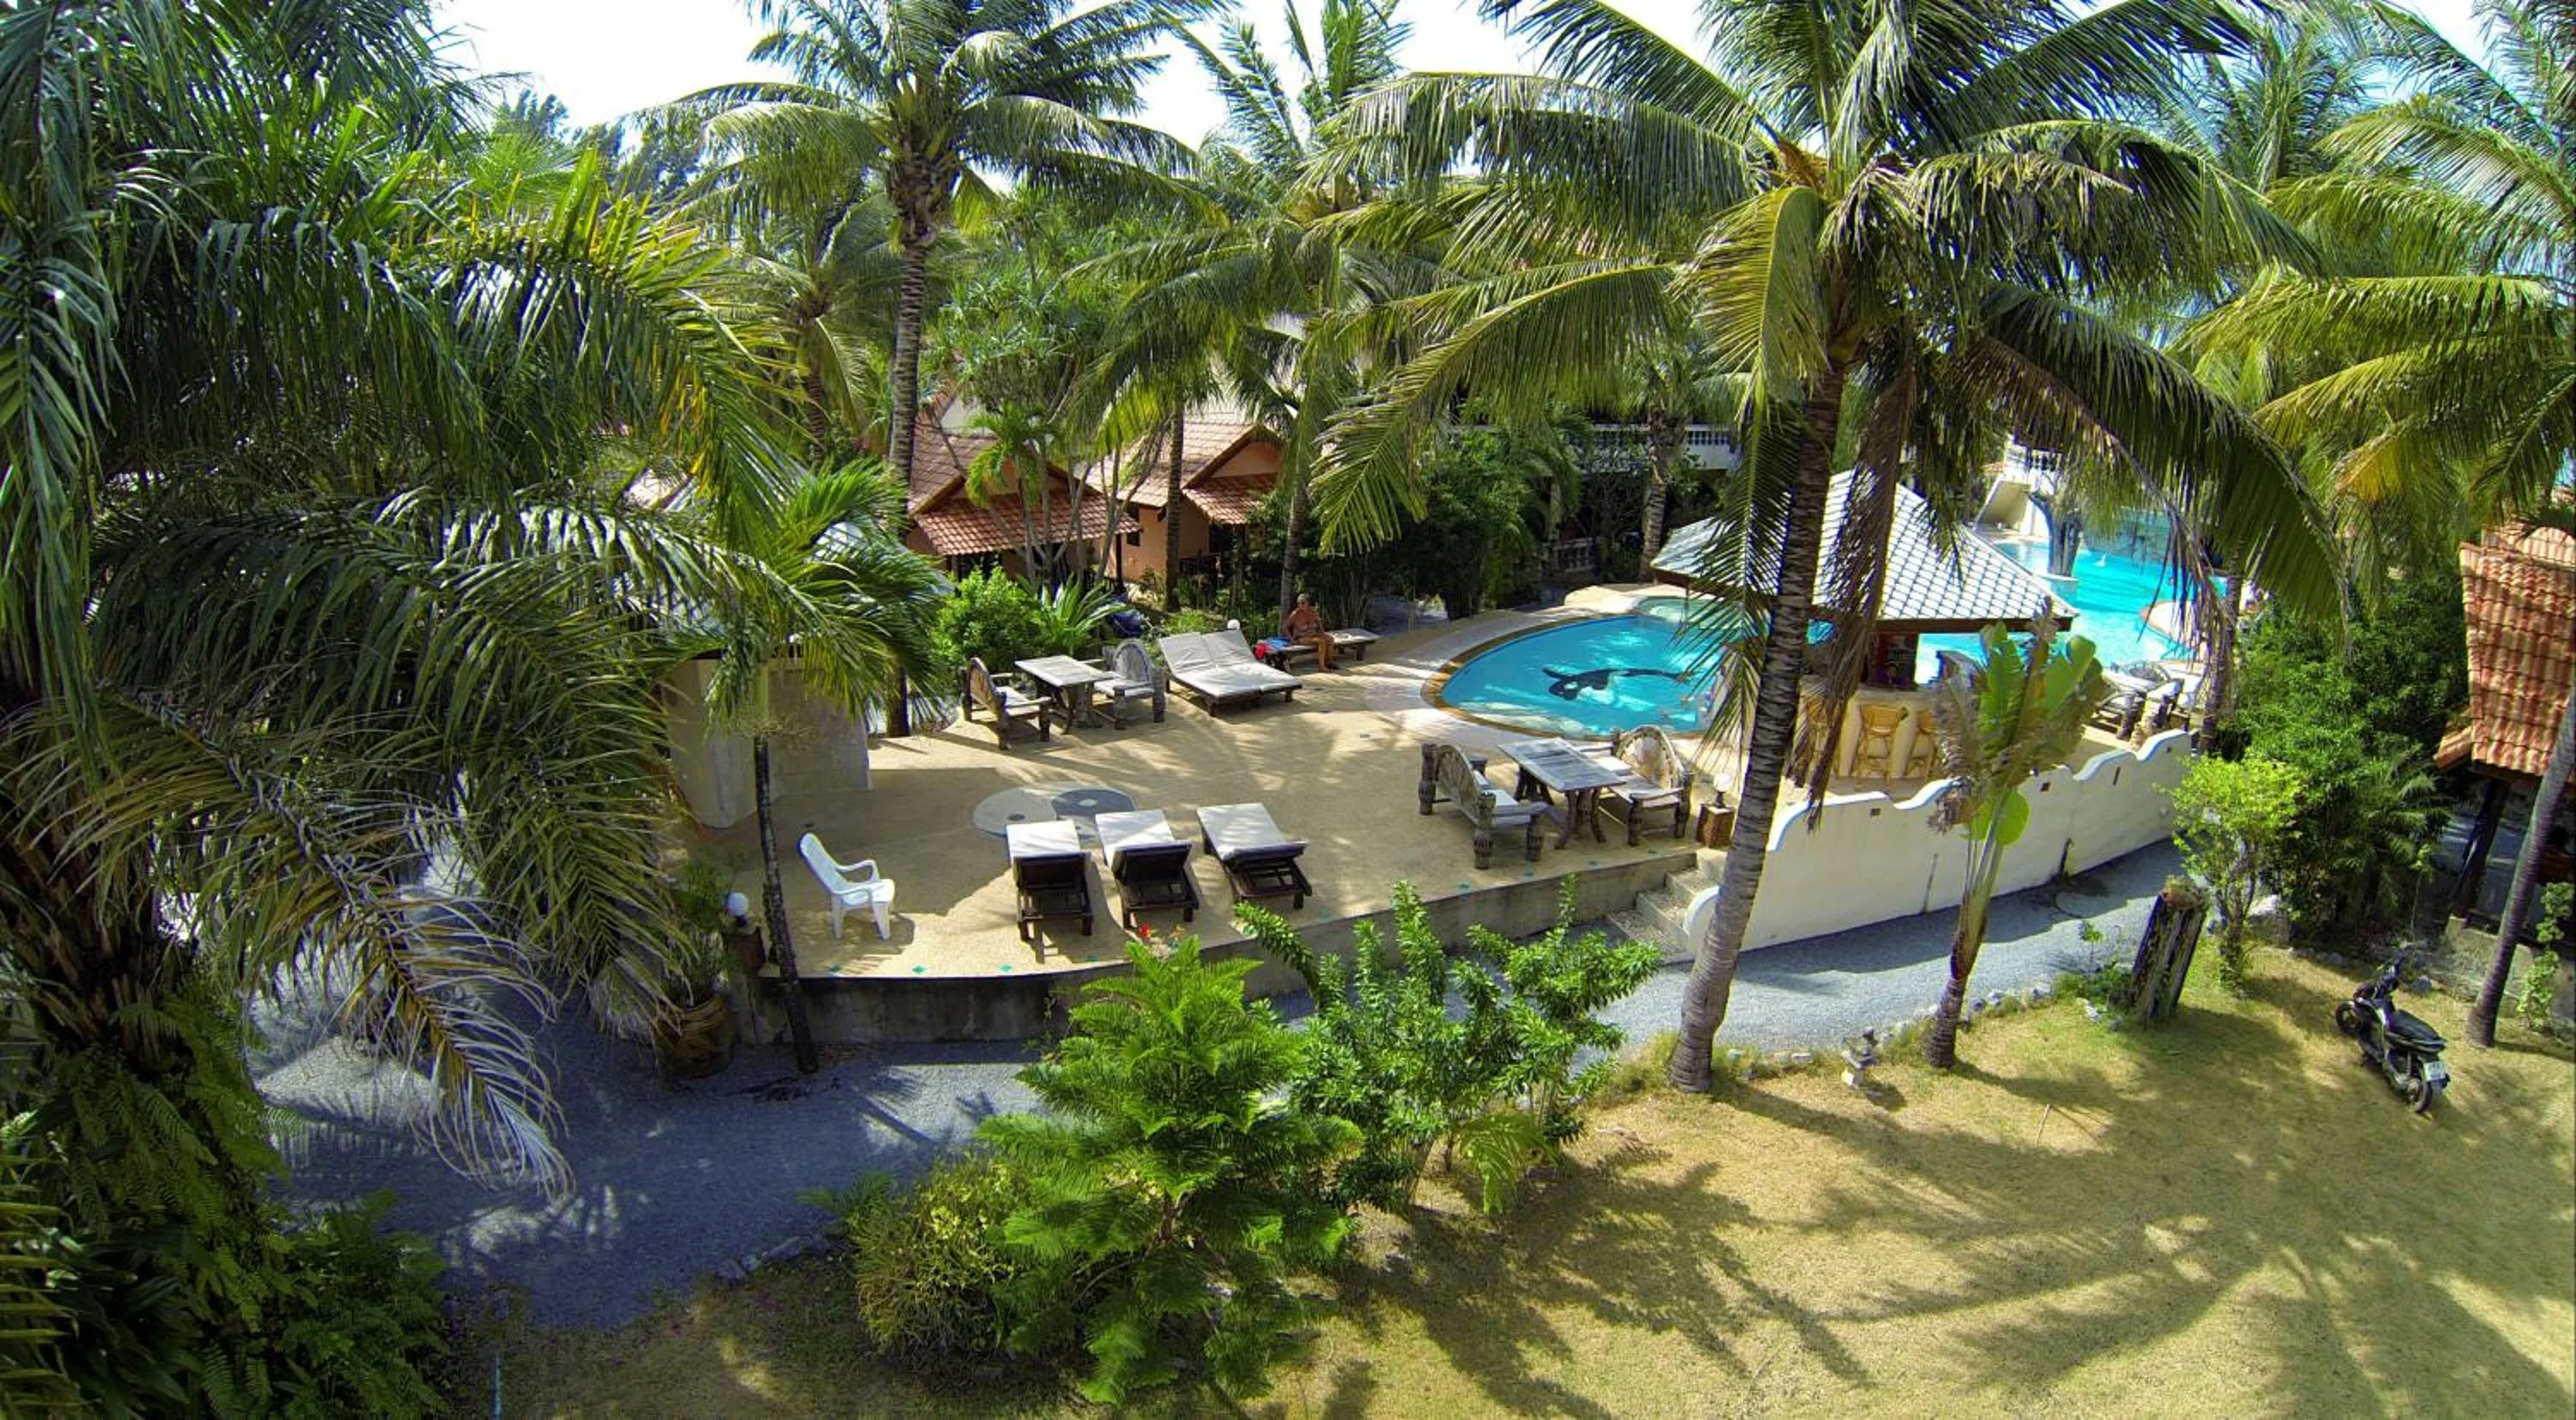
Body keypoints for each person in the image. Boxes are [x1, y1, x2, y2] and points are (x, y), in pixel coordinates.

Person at [1283, 592, 1334, 671]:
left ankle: (1329, 661)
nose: (1300, 605)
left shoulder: (1313, 611)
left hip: (1314, 634)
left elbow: (1318, 622)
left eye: (1303, 603)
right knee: (1321, 642)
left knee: (1330, 639)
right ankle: (1321, 666)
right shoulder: (1295, 614)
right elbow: (1285, 627)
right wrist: (1291, 640)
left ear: (1308, 603)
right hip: (1301, 637)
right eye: (1299, 603)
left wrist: (1322, 632)